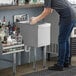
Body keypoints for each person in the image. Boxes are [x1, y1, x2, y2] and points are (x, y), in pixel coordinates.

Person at [30, 0, 76, 71]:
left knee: (62, 40)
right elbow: (50, 9)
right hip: (72, 12)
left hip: (67, 15)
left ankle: (60, 65)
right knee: (65, 39)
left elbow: (47, 11)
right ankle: (65, 62)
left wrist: (36, 19)